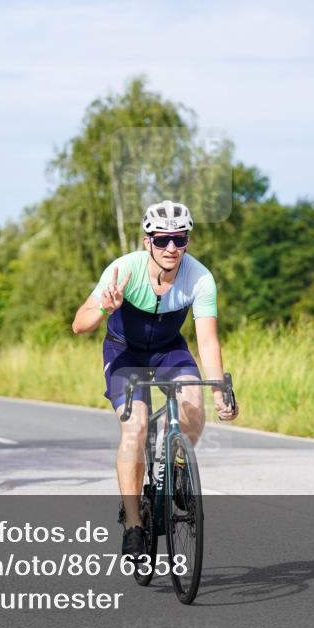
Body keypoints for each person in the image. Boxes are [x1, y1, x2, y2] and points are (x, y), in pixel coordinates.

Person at [71, 200, 239, 558]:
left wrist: (220, 391)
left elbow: (207, 340)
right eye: (162, 240)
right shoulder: (123, 270)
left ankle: (176, 466)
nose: (171, 248)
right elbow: (79, 324)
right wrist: (106, 308)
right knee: (137, 426)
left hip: (168, 350)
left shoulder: (200, 278)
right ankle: (133, 524)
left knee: (194, 405)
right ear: (147, 241)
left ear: (188, 242)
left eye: (180, 239)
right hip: (124, 353)